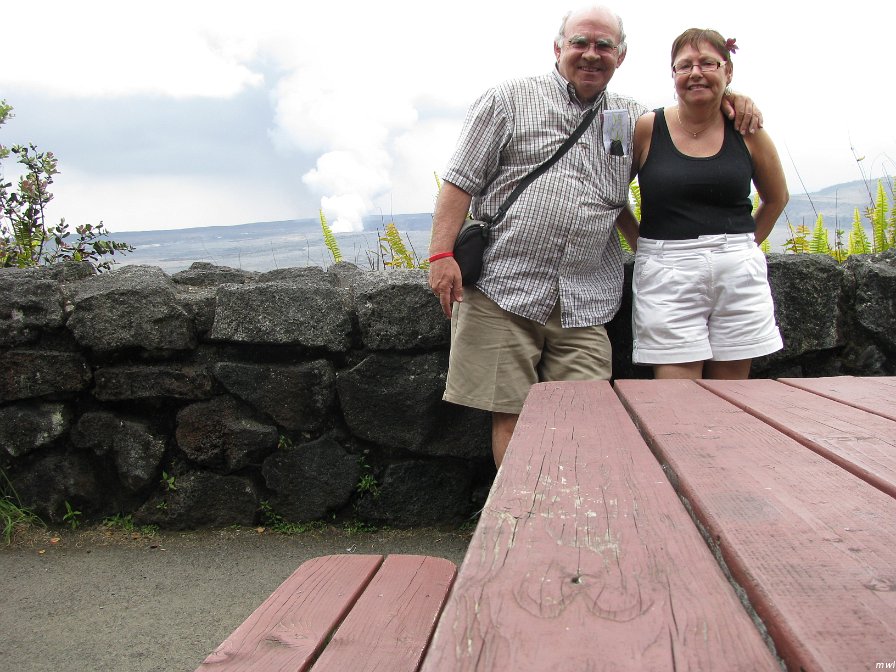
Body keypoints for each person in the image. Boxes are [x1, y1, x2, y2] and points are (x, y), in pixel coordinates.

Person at [427, 6, 761, 466]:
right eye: (580, 42)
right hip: (502, 285)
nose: (591, 54)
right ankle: (523, 517)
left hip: (584, 296)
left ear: (620, 56)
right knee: (512, 417)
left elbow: (674, 134)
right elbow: (459, 179)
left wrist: (734, 98)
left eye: (604, 45)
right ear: (558, 47)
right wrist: (441, 253)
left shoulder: (629, 117)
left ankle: (568, 515)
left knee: (584, 416)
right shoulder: (508, 99)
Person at [621, 28, 788, 380]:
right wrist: (644, 246)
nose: (696, 73)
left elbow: (776, 198)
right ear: (673, 75)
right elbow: (612, 195)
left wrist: (743, 248)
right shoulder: (648, 128)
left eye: (708, 63)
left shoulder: (748, 130)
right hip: (666, 273)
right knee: (676, 402)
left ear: (728, 72)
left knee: (731, 399)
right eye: (685, 66)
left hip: (737, 276)